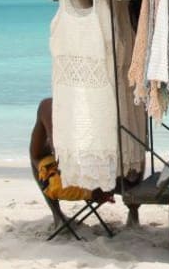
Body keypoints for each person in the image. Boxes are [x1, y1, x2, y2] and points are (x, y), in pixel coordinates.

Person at [29, 97, 140, 228]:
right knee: (130, 158)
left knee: (38, 159)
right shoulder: (109, 104)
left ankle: (58, 217)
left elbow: (55, 158)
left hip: (84, 188)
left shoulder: (49, 106)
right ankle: (133, 212)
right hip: (118, 184)